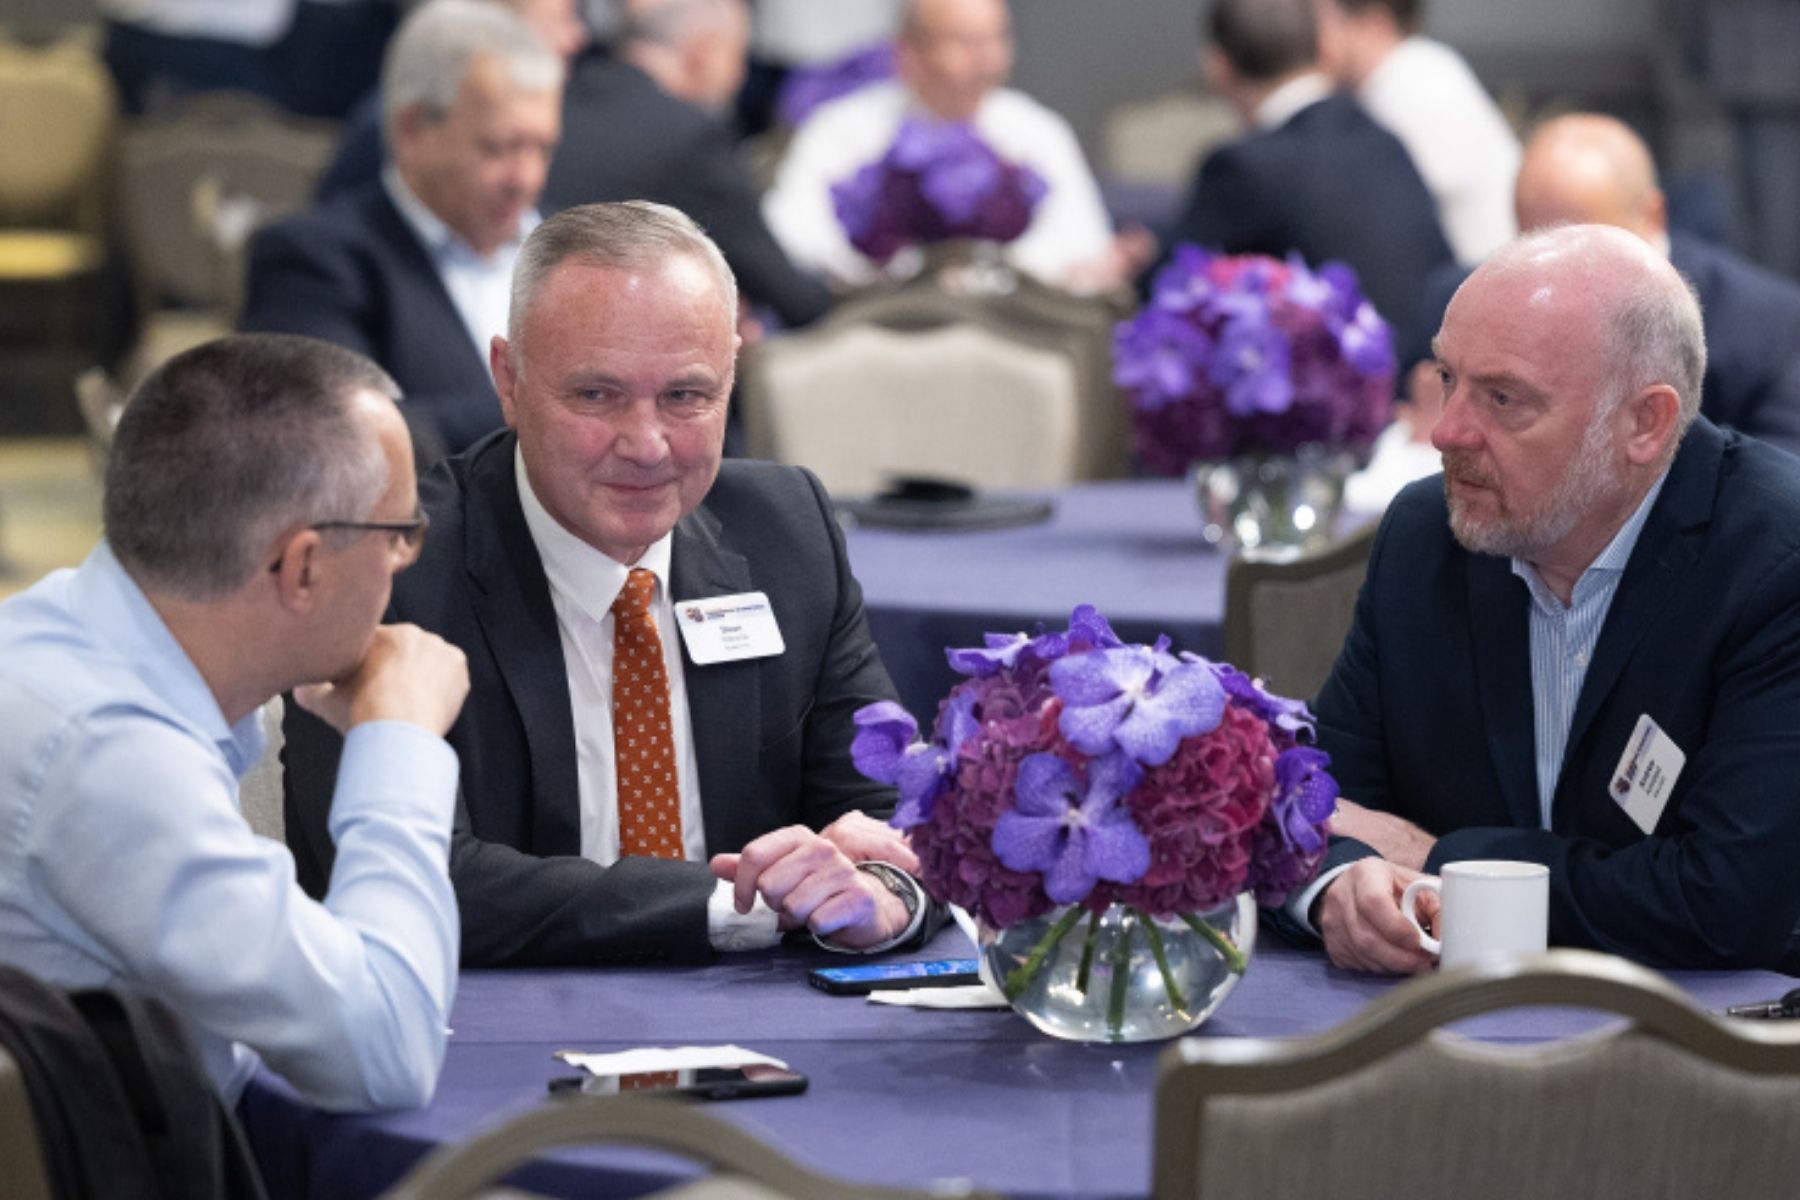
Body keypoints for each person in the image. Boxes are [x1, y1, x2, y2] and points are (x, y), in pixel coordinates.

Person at [283, 201, 935, 967]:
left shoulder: (788, 532)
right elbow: (403, 882)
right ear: (509, 380)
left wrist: (886, 890)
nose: (647, 443)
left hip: (762, 1035)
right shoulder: (389, 568)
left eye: (686, 396)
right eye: (597, 395)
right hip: (496, 1047)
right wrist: (735, 906)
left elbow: (886, 813)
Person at [1300, 223, 1800, 976]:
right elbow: (1315, 803)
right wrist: (1339, 886)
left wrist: (1444, 861)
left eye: (1504, 398)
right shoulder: (1425, 536)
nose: (1446, 432)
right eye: (1446, 378)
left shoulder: (1772, 563)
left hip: (1711, 1057)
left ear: (1645, 423)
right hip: (1440, 1033)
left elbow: (1725, 904)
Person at [0, 333, 471, 1110]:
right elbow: (384, 1048)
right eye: (398, 535)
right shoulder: (108, 753)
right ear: (304, 567)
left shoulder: (61, 637)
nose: (402, 563)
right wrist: (403, 741)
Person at [240, 0, 563, 460]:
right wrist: (552, 406)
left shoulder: (576, 250)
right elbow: (335, 439)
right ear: (413, 130)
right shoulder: (313, 259)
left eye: (542, 149)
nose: (526, 178)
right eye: (499, 148)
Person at [761, 0, 1134, 291]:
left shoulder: (1037, 131)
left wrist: (983, 280)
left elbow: (1084, 244)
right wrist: (893, 277)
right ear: (909, 53)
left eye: (996, 40)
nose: (987, 60)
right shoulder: (840, 130)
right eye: (966, 43)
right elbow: (793, 237)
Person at [1155, 0, 1452, 338]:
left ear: (1218, 68)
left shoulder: (1243, 167)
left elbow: (1169, 285)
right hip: (1430, 372)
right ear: (1325, 48)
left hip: (1344, 387)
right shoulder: (1384, 140)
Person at [538, 0, 834, 328]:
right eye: (738, 57)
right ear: (704, 53)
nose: (740, 77)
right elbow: (792, 297)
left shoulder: (557, 99)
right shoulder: (692, 136)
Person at [1315, 0, 1519, 265]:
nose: (1314, 40)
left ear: (1374, 22)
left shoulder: (1415, 83)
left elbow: (1378, 216)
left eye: (1323, 22)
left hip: (1479, 279)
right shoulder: (1413, 71)